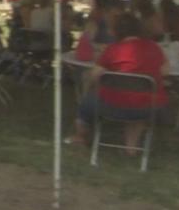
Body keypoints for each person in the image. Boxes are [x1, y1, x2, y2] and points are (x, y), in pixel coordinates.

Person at [68, 13, 168, 154]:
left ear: (117, 31)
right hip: (149, 107)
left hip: (113, 104)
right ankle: (131, 147)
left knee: (86, 103)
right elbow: (165, 71)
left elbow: (95, 74)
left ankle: (80, 136)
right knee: (139, 103)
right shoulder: (154, 48)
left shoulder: (114, 50)